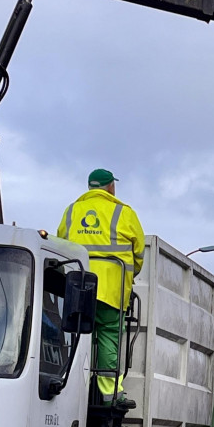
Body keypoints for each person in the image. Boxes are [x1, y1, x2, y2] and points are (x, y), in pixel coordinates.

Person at [57, 168, 144, 402]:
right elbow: (138, 253)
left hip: (78, 287)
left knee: (76, 336)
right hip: (111, 291)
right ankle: (109, 394)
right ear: (111, 187)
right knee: (107, 336)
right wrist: (129, 274)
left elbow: (60, 245)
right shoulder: (124, 213)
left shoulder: (72, 211)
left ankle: (72, 388)